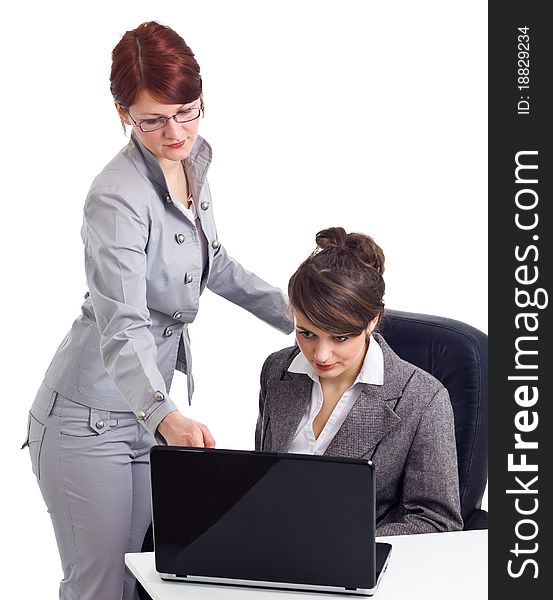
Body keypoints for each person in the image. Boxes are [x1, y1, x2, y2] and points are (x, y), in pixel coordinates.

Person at [23, 21, 292, 600]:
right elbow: (122, 322)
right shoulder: (115, 197)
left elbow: (213, 263)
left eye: (188, 111)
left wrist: (303, 318)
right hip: (88, 419)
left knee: (143, 577)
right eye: (153, 119)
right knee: (98, 587)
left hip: (147, 412)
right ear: (123, 112)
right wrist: (164, 414)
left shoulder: (191, 165)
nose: (175, 132)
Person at [256, 227, 464, 536]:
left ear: (373, 320)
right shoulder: (278, 370)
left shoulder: (422, 398)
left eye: (340, 337)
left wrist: (351, 544)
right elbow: (263, 482)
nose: (321, 354)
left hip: (356, 568)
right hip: (270, 552)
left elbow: (437, 521)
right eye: (307, 333)